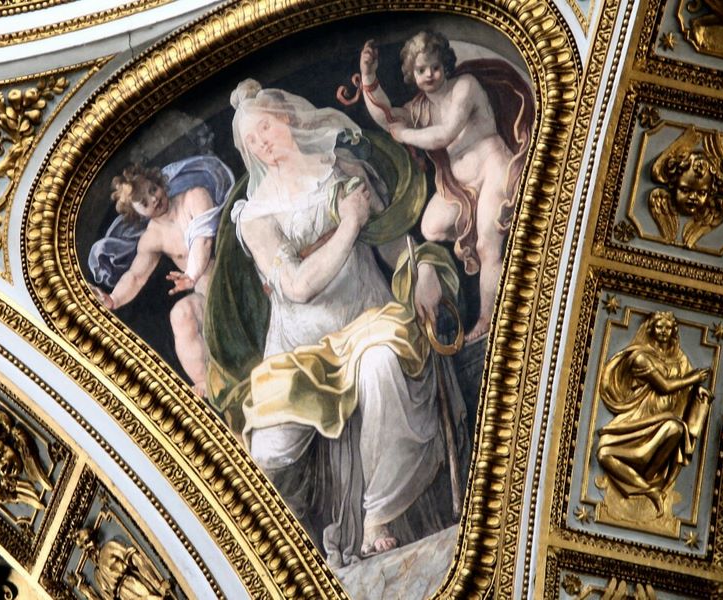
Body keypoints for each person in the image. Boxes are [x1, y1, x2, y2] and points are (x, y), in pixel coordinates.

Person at [214, 78, 468, 565]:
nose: (263, 143)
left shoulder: (345, 170)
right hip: (299, 352)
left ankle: (378, 515)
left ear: (287, 119)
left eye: (265, 128)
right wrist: (349, 223)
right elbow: (297, 287)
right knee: (266, 452)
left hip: (368, 322)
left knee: (382, 365)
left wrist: (423, 271)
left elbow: (393, 244)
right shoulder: (255, 216)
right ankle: (281, 559)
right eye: (251, 141)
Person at [358, 31, 533, 341]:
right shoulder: (420, 108)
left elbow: (445, 134)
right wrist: (369, 77)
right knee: (431, 227)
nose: (429, 75)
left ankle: (488, 320)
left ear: (445, 65)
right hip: (461, 185)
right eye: (421, 70)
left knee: (487, 246)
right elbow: (387, 117)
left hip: (493, 167)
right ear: (411, 74)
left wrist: (405, 135)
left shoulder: (465, 87)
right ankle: (481, 236)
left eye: (435, 67)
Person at [89, 156, 233, 397]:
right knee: (180, 314)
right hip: (209, 297)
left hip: (235, 279)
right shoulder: (153, 238)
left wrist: (191, 274)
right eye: (144, 202)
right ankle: (204, 381)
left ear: (159, 182)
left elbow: (204, 240)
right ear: (136, 213)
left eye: (153, 189)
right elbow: (136, 276)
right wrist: (113, 299)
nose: (154, 199)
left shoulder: (194, 197)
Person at [596, 311, 713, 516]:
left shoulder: (679, 357)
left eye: (668, 327)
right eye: (659, 326)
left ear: (673, 331)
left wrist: (698, 391)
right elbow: (665, 386)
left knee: (676, 429)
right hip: (639, 419)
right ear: (651, 329)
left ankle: (650, 474)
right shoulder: (641, 357)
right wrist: (693, 379)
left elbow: (686, 389)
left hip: (665, 420)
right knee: (604, 454)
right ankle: (650, 490)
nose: (663, 331)